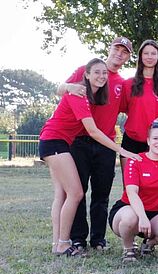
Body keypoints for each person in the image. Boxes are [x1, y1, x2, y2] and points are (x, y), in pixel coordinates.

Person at [39, 58, 139, 256]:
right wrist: (122, 150)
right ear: (86, 74)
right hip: (55, 142)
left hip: (56, 142)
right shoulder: (79, 93)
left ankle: (56, 244)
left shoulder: (92, 95)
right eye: (96, 73)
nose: (102, 76)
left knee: (62, 194)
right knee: (76, 193)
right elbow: (93, 131)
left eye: (104, 73)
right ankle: (64, 243)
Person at [57, 36, 132, 251]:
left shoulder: (122, 83)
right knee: (78, 190)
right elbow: (60, 89)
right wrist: (69, 85)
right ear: (109, 48)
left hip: (106, 144)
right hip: (80, 140)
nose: (119, 53)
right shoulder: (86, 69)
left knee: (101, 194)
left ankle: (98, 238)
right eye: (116, 48)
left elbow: (133, 108)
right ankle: (78, 238)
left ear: (127, 57)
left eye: (124, 51)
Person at [109, 118, 158, 262]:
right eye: (156, 138)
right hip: (128, 209)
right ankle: (128, 249)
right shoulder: (136, 160)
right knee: (130, 218)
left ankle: (148, 244)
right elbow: (131, 192)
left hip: (155, 212)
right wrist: (142, 216)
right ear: (148, 141)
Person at [120, 40, 158, 173]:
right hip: (131, 141)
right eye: (146, 53)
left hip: (154, 143)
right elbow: (124, 108)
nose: (149, 57)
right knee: (129, 188)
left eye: (153, 53)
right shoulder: (128, 84)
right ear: (140, 57)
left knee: (151, 188)